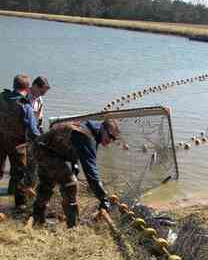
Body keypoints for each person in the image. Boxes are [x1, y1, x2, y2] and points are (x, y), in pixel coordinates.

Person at [32, 118, 120, 227]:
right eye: (110, 136)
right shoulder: (87, 136)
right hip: (45, 152)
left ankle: (37, 221)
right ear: (102, 128)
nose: (111, 140)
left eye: (114, 139)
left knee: (47, 184)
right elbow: (91, 173)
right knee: (71, 185)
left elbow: (74, 145)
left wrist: (75, 163)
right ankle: (72, 227)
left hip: (44, 148)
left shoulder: (93, 129)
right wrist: (103, 198)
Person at [0, 74, 41, 209]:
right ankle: (20, 206)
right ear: (27, 88)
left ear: (13, 85)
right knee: (19, 175)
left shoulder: (1, 97)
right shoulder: (25, 105)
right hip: (17, 146)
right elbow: (34, 132)